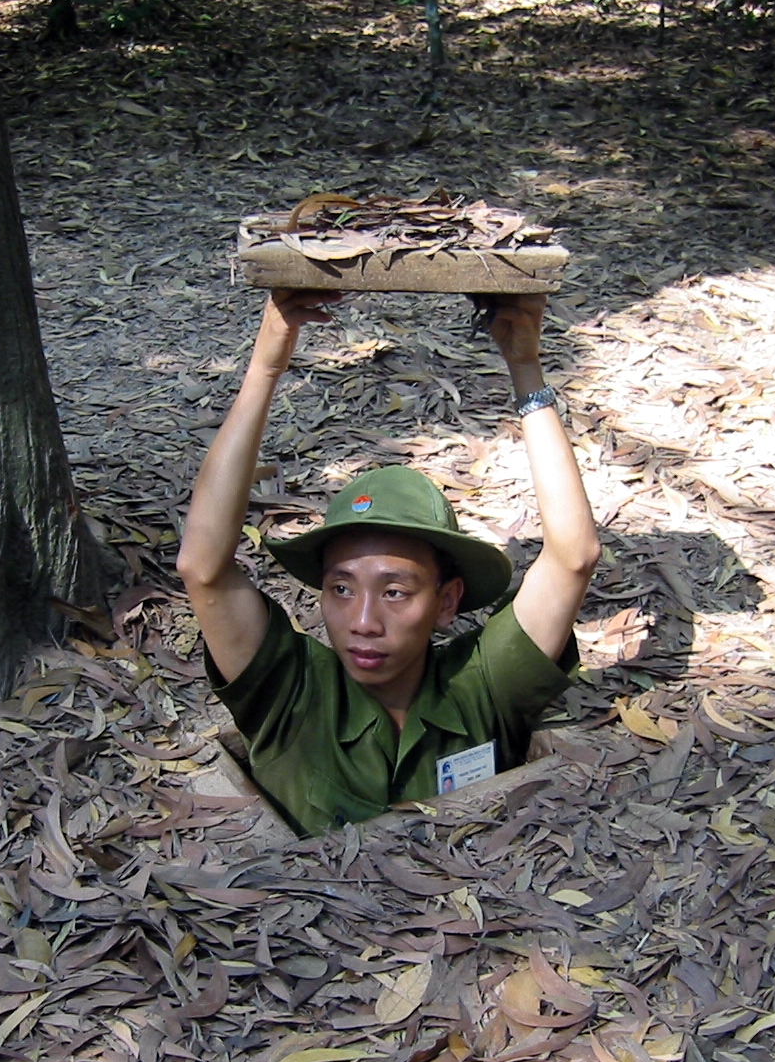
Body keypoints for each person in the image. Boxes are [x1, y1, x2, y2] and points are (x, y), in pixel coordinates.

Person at [176, 289, 600, 837]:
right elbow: (202, 566)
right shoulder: (290, 691)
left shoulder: (483, 686)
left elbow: (573, 556)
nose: (363, 622)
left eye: (395, 592)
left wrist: (526, 370)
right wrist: (264, 368)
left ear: (447, 602)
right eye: (342, 589)